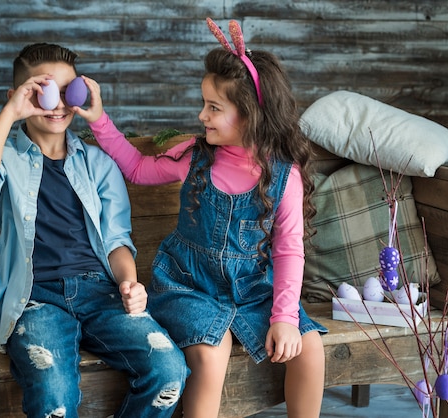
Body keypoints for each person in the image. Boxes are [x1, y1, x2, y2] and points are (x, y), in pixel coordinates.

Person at [76, 18, 328, 418]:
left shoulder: (283, 176)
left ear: (249, 115)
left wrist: (284, 318)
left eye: (214, 107)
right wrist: (99, 120)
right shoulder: (195, 155)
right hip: (187, 287)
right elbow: (139, 169)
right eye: (204, 104)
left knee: (310, 347)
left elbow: (288, 250)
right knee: (212, 351)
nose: (201, 115)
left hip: (252, 290)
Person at [0, 42, 188, 418]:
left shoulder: (98, 164)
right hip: (35, 299)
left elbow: (117, 239)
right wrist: (10, 112)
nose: (60, 104)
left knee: (168, 371)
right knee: (54, 395)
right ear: (20, 96)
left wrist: (129, 283)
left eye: (69, 92)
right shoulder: (6, 156)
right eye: (45, 92)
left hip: (100, 292)